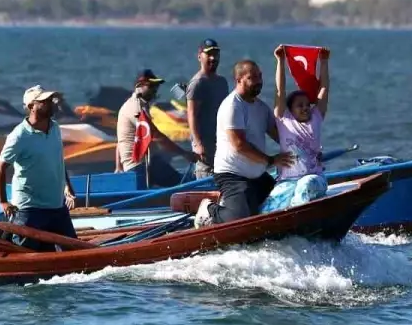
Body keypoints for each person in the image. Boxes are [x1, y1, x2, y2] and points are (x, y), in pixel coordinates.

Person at [0, 85, 79, 251]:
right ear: (31, 106)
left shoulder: (55, 128)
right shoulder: (19, 136)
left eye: (50, 100)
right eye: (44, 101)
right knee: (27, 254)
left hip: (56, 206)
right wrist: (3, 201)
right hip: (30, 209)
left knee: (74, 251)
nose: (50, 103)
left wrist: (68, 186)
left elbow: (58, 160)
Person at [212, 60, 293, 223]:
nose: (258, 81)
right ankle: (209, 209)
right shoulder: (233, 106)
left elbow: (281, 136)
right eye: (252, 77)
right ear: (239, 80)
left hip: (257, 176)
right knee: (240, 219)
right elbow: (239, 145)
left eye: (260, 76)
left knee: (288, 199)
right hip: (232, 175)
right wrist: (271, 160)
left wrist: (306, 149)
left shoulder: (262, 108)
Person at [115, 69, 196, 187]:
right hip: (140, 167)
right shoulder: (135, 108)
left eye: (156, 86)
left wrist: (118, 166)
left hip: (145, 163)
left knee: (174, 172)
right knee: (184, 183)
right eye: (151, 86)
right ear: (139, 86)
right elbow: (156, 136)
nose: (155, 90)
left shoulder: (139, 104)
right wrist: (184, 153)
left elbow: (120, 140)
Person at [273, 45, 331, 180]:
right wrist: (280, 61)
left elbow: (324, 89)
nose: (305, 108)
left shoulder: (316, 116)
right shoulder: (284, 119)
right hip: (288, 180)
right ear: (290, 109)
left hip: (314, 178)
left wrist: (324, 61)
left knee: (307, 187)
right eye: (299, 105)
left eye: (307, 104)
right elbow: (280, 91)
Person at [186, 38, 229, 180]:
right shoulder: (197, 83)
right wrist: (197, 143)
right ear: (200, 56)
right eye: (208, 54)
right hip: (206, 148)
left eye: (216, 54)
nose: (213, 58)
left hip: (222, 144)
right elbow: (191, 114)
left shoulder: (222, 82)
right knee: (207, 184)